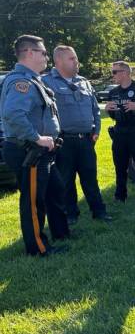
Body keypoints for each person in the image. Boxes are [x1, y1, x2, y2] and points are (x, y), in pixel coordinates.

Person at [0, 35, 69, 256]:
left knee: (55, 191)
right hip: (29, 150)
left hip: (43, 152)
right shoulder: (21, 82)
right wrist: (37, 138)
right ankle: (38, 248)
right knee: (33, 202)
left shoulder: (33, 79)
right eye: (44, 52)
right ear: (29, 53)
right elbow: (13, 115)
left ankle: (61, 233)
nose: (46, 57)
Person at [42, 45, 112, 224]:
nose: (76, 62)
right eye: (71, 59)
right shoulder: (47, 82)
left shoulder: (84, 82)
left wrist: (96, 131)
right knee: (66, 180)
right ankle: (71, 214)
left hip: (86, 140)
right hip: (64, 140)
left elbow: (96, 110)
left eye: (76, 58)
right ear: (58, 61)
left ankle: (99, 211)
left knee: (90, 178)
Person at [104, 61, 135, 204]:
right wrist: (108, 110)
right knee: (120, 166)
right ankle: (120, 196)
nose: (112, 75)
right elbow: (113, 116)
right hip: (119, 133)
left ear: (124, 73)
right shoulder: (113, 93)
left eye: (115, 72)